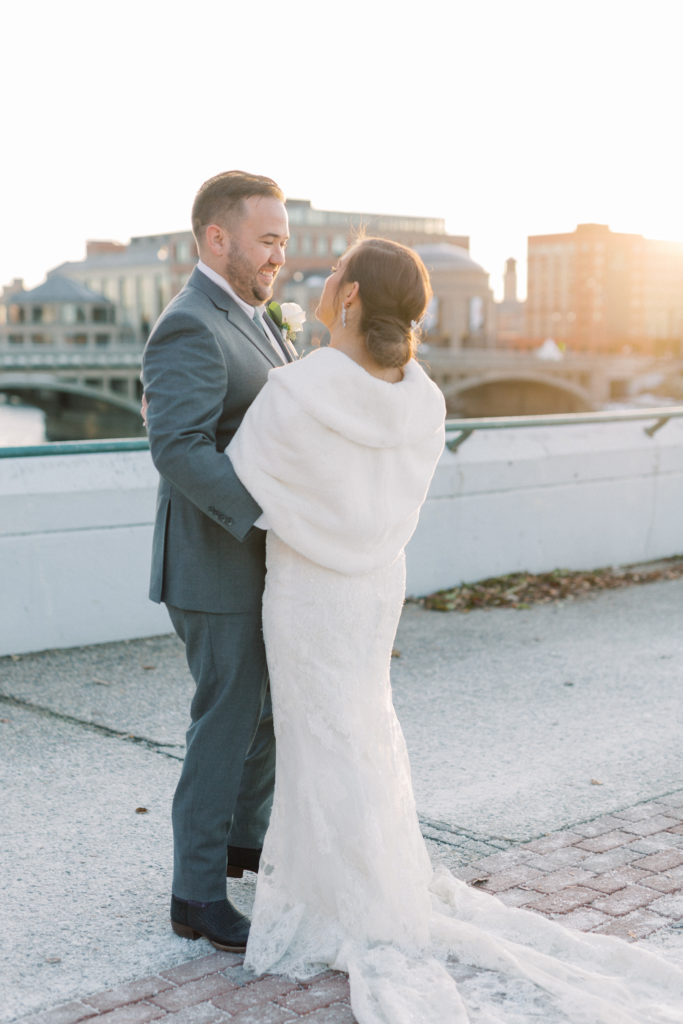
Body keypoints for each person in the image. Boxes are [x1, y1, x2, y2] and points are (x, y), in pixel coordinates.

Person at [226, 237, 683, 1023]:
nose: (325, 278)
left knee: (317, 733)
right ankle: (371, 875)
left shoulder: (295, 388)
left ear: (355, 297)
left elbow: (244, 475)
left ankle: (331, 889)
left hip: (308, 589)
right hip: (373, 583)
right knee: (363, 724)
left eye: (336, 273)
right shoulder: (425, 397)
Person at [141, 170, 297, 953]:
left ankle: (244, 843)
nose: (278, 256)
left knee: (265, 713)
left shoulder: (258, 315)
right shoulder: (189, 325)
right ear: (217, 238)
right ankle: (196, 894)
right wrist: (267, 512)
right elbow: (177, 447)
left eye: (282, 242)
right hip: (212, 562)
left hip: (260, 561)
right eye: (267, 240)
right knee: (226, 720)